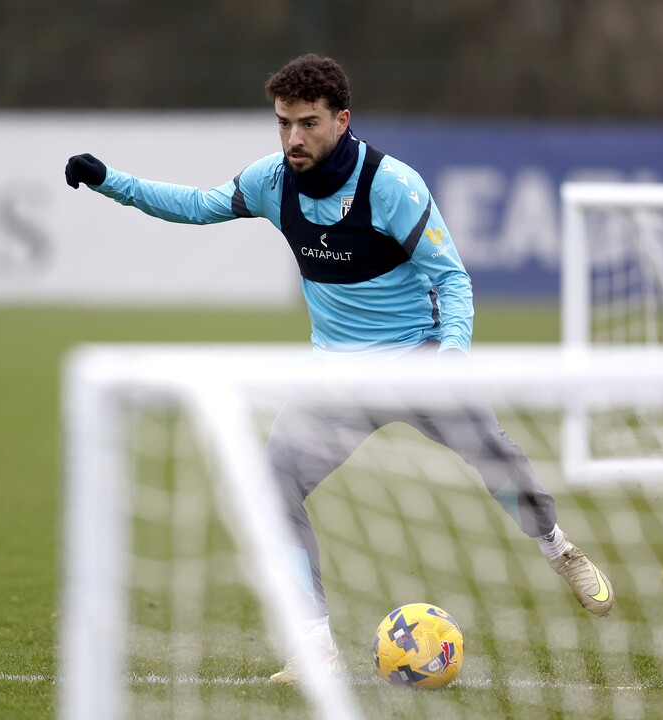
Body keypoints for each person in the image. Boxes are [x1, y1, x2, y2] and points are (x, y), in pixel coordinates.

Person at [65, 53, 613, 683]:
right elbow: (193, 205)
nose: (293, 138)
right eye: (283, 123)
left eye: (308, 123)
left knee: (497, 457)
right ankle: (315, 649)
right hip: (336, 379)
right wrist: (110, 180)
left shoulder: (391, 185)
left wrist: (453, 361)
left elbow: (452, 280)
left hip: (418, 361)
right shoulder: (271, 182)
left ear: (341, 120)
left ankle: (560, 550)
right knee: (270, 486)